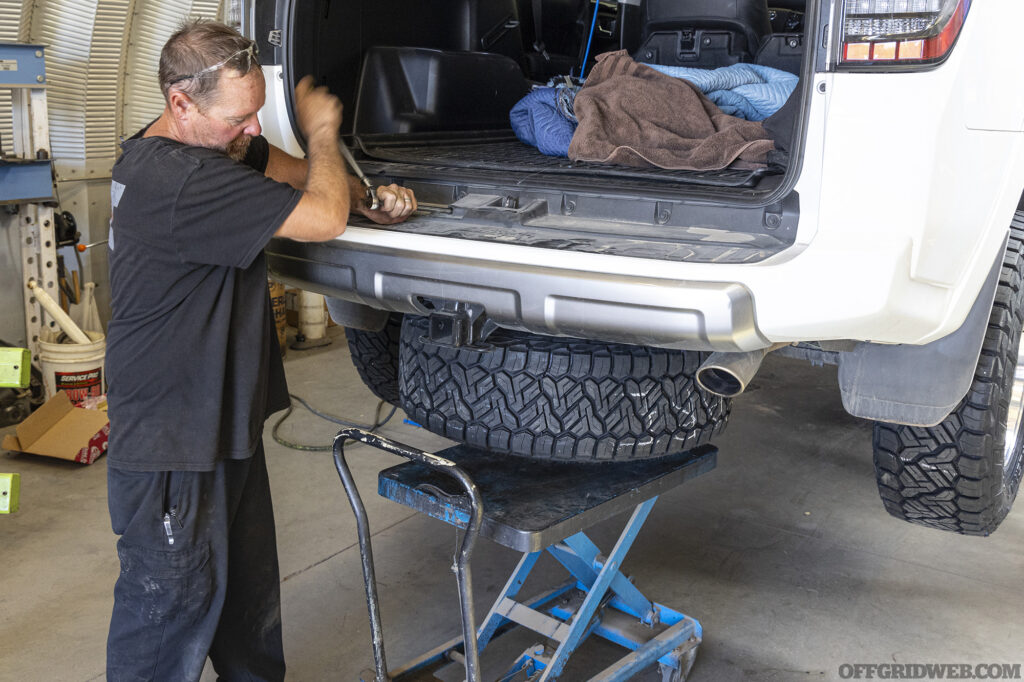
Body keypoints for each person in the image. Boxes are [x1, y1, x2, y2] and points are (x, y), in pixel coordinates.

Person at [103, 19, 417, 682]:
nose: (252, 130)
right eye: (241, 117)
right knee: (165, 622)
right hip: (172, 447)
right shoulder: (180, 179)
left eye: (258, 113)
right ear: (180, 103)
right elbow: (320, 217)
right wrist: (324, 130)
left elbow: (303, 181)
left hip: (217, 425)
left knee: (247, 612)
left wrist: (369, 199)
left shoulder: (206, 149)